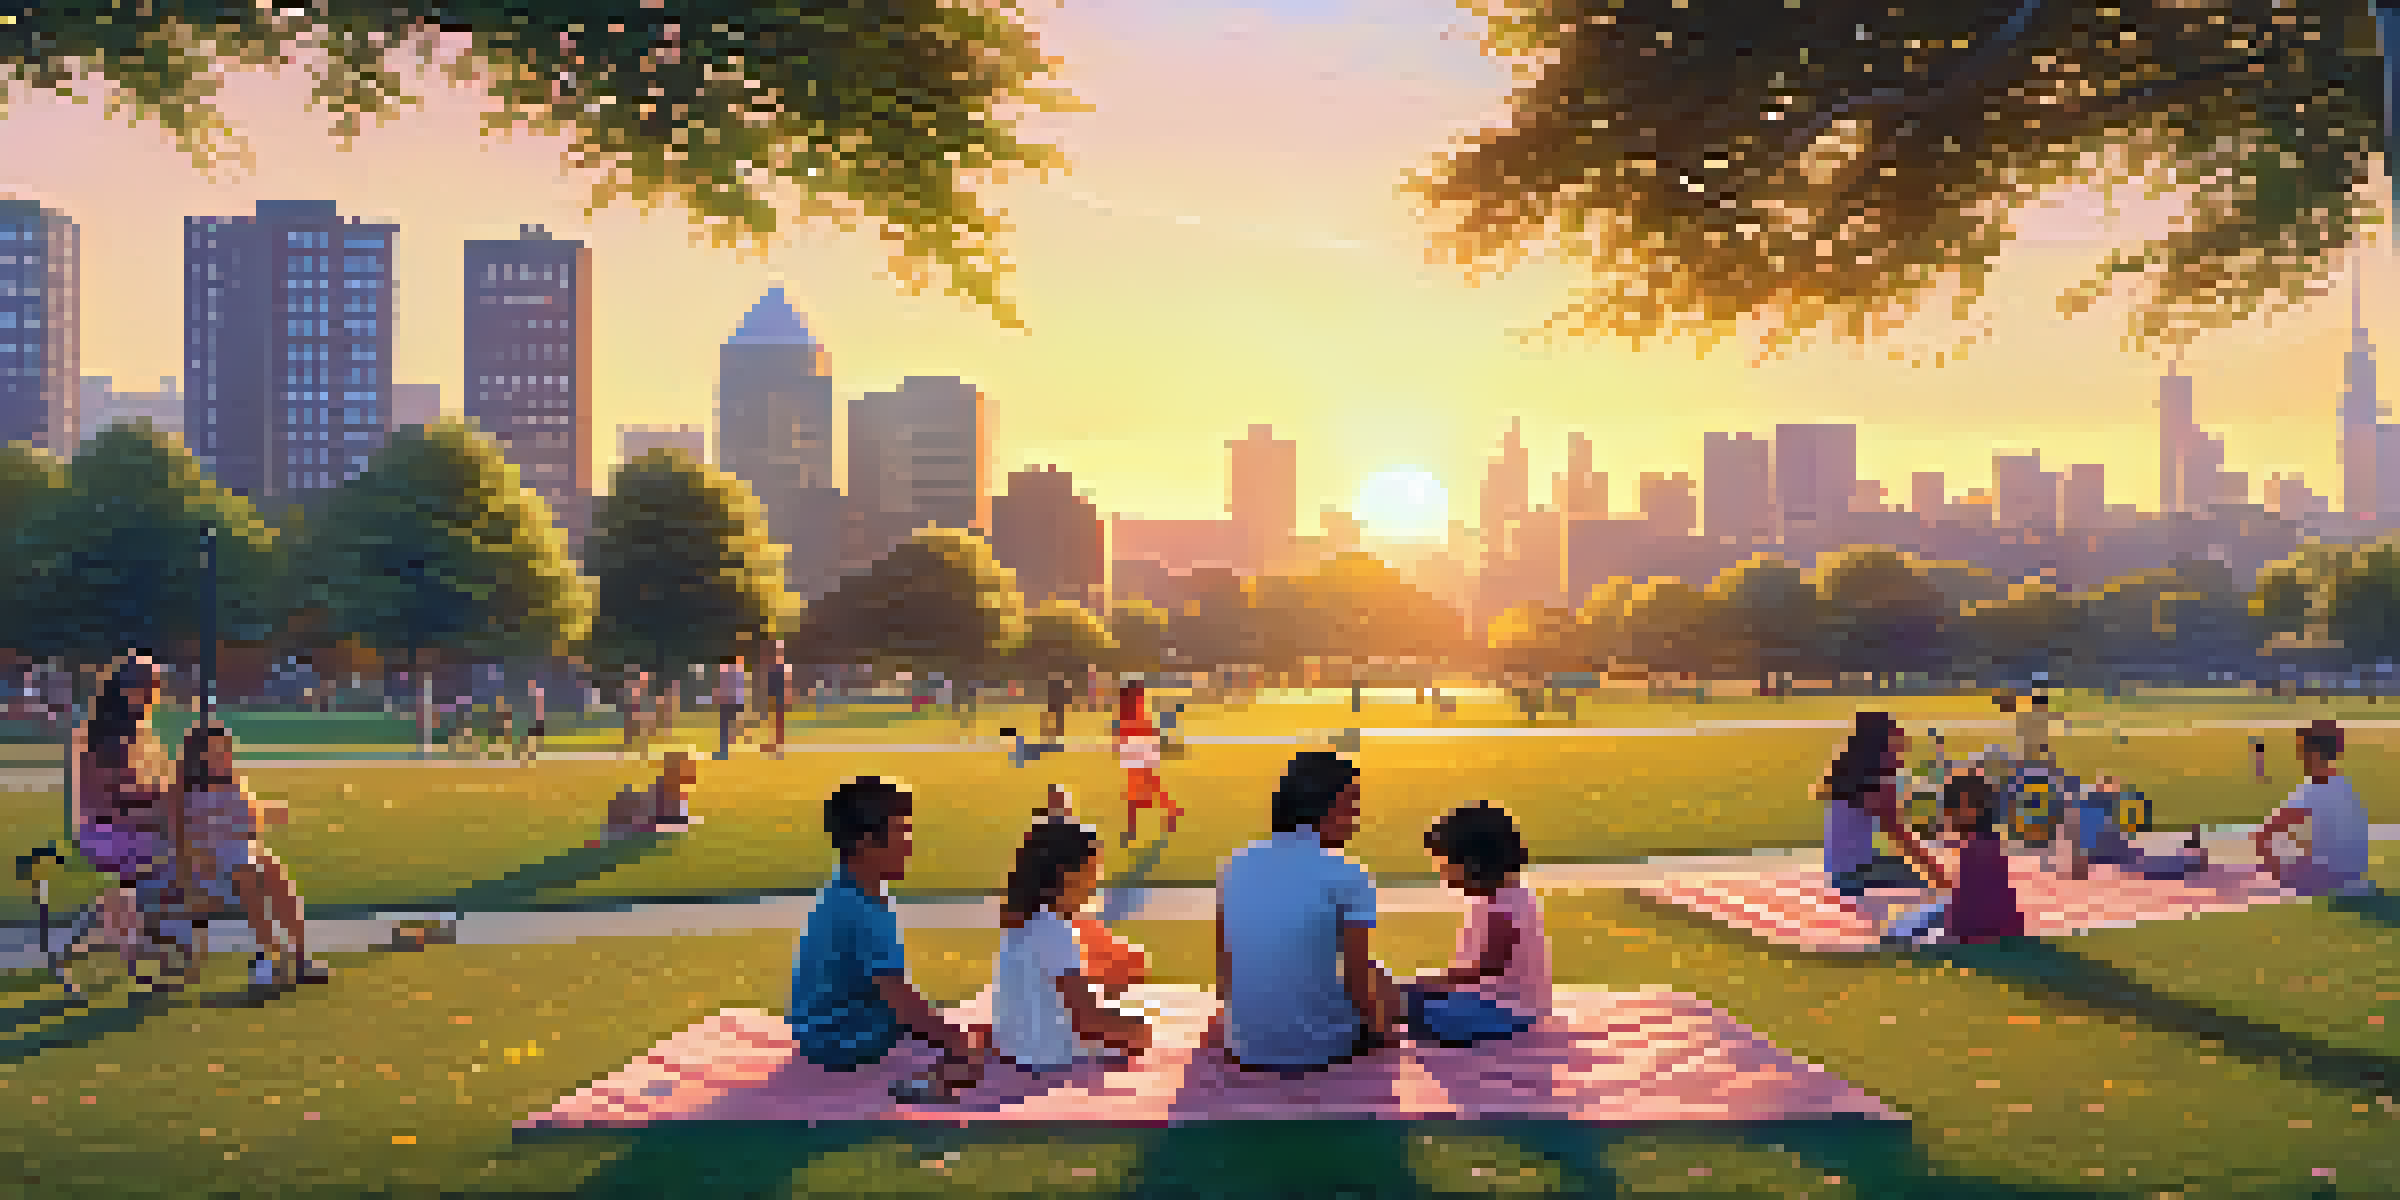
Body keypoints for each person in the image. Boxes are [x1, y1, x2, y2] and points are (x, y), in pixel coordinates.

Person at [788, 776, 989, 1103]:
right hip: (840, 1039)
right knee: (973, 1048)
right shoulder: (863, 909)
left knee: (968, 1035)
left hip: (823, 1031)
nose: (910, 844)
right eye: (901, 833)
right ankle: (923, 1085)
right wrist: (955, 1041)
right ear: (867, 843)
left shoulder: (852, 890)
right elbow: (899, 997)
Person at [1211, 751, 1407, 1076]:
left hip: (1245, 1045)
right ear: (1330, 808)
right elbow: (1358, 975)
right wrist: (1383, 1034)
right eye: (1352, 806)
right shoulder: (1348, 873)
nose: (1356, 818)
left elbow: (1224, 966)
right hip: (1320, 1048)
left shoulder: (1235, 863)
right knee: (1381, 978)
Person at [986, 809, 1154, 1072]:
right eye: (1091, 873)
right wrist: (1138, 1028)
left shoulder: (1021, 922)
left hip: (1019, 1049)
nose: (1094, 885)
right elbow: (1088, 1021)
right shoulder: (1054, 928)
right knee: (1137, 1032)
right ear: (1067, 875)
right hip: (1046, 1058)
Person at [174, 723, 332, 986]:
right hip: (207, 869)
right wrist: (204, 861)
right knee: (250, 874)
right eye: (216, 751)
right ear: (199, 755)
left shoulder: (234, 783)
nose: (224, 756)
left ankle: (300, 958)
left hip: (241, 859)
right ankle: (266, 959)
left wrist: (263, 817)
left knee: (271, 869)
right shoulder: (184, 791)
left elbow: (249, 831)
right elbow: (182, 841)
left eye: (226, 750)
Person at [1398, 801, 1550, 1047]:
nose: (1442, 875)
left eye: (1445, 865)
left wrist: (1434, 981)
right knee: (1412, 998)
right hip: (1490, 1001)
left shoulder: (1504, 903)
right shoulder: (1499, 896)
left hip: (1508, 1012)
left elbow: (1489, 965)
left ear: (1474, 864)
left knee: (1419, 1009)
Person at [72, 655, 180, 975]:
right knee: (171, 857)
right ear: (131, 690)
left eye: (156, 688)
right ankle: (143, 945)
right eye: (150, 688)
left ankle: (134, 936)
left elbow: (137, 792)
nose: (154, 696)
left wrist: (167, 798)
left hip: (119, 828)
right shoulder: (110, 738)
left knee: (177, 850)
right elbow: (115, 802)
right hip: (106, 833)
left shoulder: (129, 731)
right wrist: (165, 800)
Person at [1820, 712, 1953, 907]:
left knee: (1910, 869)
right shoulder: (1874, 780)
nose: (1902, 749)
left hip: (1841, 871)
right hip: (1855, 877)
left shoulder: (1850, 771)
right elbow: (1898, 834)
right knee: (1930, 888)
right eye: (1896, 743)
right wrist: (1941, 878)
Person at [1887, 774, 2025, 948]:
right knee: (1920, 914)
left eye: (1953, 806)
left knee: (1901, 927)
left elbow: (1963, 907)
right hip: (1999, 928)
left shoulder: (1976, 852)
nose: (1947, 813)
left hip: (1973, 932)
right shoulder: (1988, 843)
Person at [2254, 720, 2373, 897]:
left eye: (2302, 750)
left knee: (2273, 854)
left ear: (2313, 753)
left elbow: (2266, 834)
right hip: (2355, 874)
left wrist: (2266, 863)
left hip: (2327, 879)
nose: (2300, 756)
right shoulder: (2345, 786)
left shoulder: (2310, 789)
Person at [1115, 682, 1181, 847]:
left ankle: (1136, 829)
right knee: (1142, 790)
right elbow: (1128, 729)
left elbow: (1144, 729)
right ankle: (1167, 816)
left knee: (1145, 789)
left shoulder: (1137, 710)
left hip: (1140, 751)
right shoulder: (1130, 710)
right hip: (1135, 751)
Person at [606, 751, 702, 837]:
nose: (693, 773)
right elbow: (655, 825)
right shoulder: (664, 793)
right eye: (688, 768)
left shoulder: (677, 792)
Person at [714, 655, 747, 761]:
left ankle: (724, 752)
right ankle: (726, 751)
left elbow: (726, 689)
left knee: (726, 728)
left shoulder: (729, 672)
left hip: (727, 703)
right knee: (728, 728)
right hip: (730, 703)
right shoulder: (737, 672)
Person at [763, 639, 789, 756]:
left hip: (779, 698)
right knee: (772, 721)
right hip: (772, 697)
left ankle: (777, 746)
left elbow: (788, 683)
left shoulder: (783, 668)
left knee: (778, 721)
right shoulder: (771, 667)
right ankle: (774, 744)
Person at [520, 680, 546, 763]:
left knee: (534, 739)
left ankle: (532, 757)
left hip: (537, 721)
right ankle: (530, 757)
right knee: (531, 739)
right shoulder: (532, 698)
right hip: (533, 721)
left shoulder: (538, 697)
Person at [1044, 673, 1072, 741]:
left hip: (1057, 705)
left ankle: (1057, 735)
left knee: (1057, 719)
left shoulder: (1057, 687)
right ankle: (1055, 735)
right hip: (1055, 705)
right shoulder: (1054, 687)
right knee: (1055, 719)